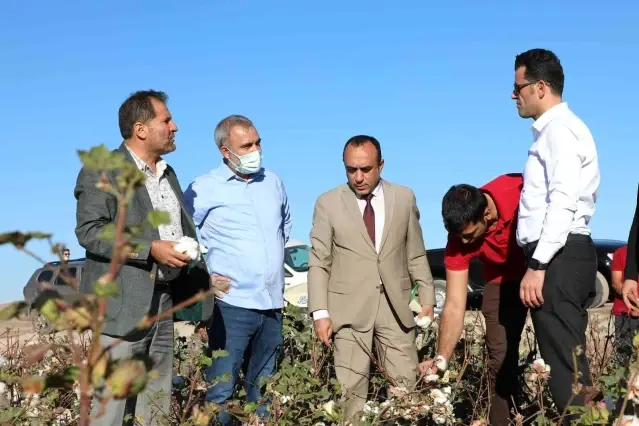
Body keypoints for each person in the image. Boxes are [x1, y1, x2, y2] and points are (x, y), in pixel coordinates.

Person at [74, 90, 215, 426]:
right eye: (166, 120)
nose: (174, 126)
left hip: (163, 300)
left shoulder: (168, 173)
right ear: (140, 129)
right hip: (121, 307)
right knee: (110, 410)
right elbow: (91, 231)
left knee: (156, 405)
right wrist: (150, 248)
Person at [307, 135, 435, 422]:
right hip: (348, 312)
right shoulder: (327, 203)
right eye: (351, 169)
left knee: (406, 390)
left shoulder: (404, 198)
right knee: (350, 393)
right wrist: (320, 313)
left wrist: (427, 297)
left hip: (396, 308)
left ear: (381, 166)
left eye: (366, 169)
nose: (358, 177)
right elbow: (319, 261)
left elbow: (415, 253)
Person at [184, 115, 291, 425]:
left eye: (257, 142)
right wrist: (203, 278)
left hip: (271, 305)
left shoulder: (272, 181)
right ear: (225, 151)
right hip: (232, 307)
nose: (255, 149)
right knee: (221, 392)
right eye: (246, 145)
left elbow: (284, 226)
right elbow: (180, 234)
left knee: (264, 391)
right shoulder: (204, 188)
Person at [513, 48, 600, 423]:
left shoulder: (559, 131)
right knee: (569, 365)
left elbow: (562, 202)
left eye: (519, 88)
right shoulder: (559, 131)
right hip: (562, 256)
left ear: (541, 87)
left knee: (566, 373)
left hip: (559, 257)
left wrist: (537, 264)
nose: (513, 95)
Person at [419, 174, 526, 426]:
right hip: (501, 279)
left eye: (469, 235)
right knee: (499, 357)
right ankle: (501, 421)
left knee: (555, 346)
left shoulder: (518, 191)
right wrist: (441, 357)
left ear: (486, 215)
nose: (465, 243)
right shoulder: (458, 238)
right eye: (460, 237)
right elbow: (455, 304)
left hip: (543, 271)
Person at [610, 245, 639, 366]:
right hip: (625, 313)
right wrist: (637, 303)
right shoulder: (621, 252)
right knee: (623, 361)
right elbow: (616, 284)